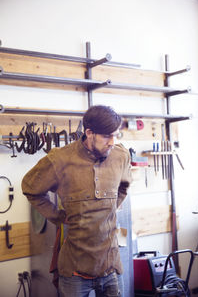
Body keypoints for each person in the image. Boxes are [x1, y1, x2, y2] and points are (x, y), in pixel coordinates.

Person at [21, 105, 133, 297]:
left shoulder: (120, 155)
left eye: (116, 135)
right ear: (89, 133)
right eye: (107, 136)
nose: (112, 142)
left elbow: (125, 185)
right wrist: (58, 216)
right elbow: (31, 188)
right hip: (74, 270)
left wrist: (110, 207)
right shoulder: (60, 159)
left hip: (111, 265)